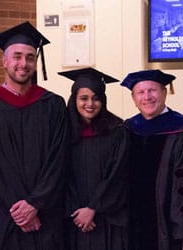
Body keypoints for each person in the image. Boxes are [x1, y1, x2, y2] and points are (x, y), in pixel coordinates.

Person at [0, 21, 68, 250]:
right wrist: (21, 210)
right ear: (4, 61)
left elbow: (59, 159)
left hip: (46, 216)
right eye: (17, 56)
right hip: (6, 216)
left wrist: (35, 203)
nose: (23, 63)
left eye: (30, 57)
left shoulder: (53, 104)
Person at [120, 69, 183, 250]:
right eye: (141, 92)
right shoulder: (129, 128)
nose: (147, 97)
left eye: (153, 90)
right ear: (134, 99)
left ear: (165, 93)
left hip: (171, 226)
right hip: (134, 222)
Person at [58, 68, 129, 250]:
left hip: (108, 220)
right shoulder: (61, 132)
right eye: (84, 98)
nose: (90, 104)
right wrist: (78, 212)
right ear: (74, 100)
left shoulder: (117, 130)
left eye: (96, 98)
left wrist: (93, 208)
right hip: (73, 219)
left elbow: (118, 175)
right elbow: (58, 173)